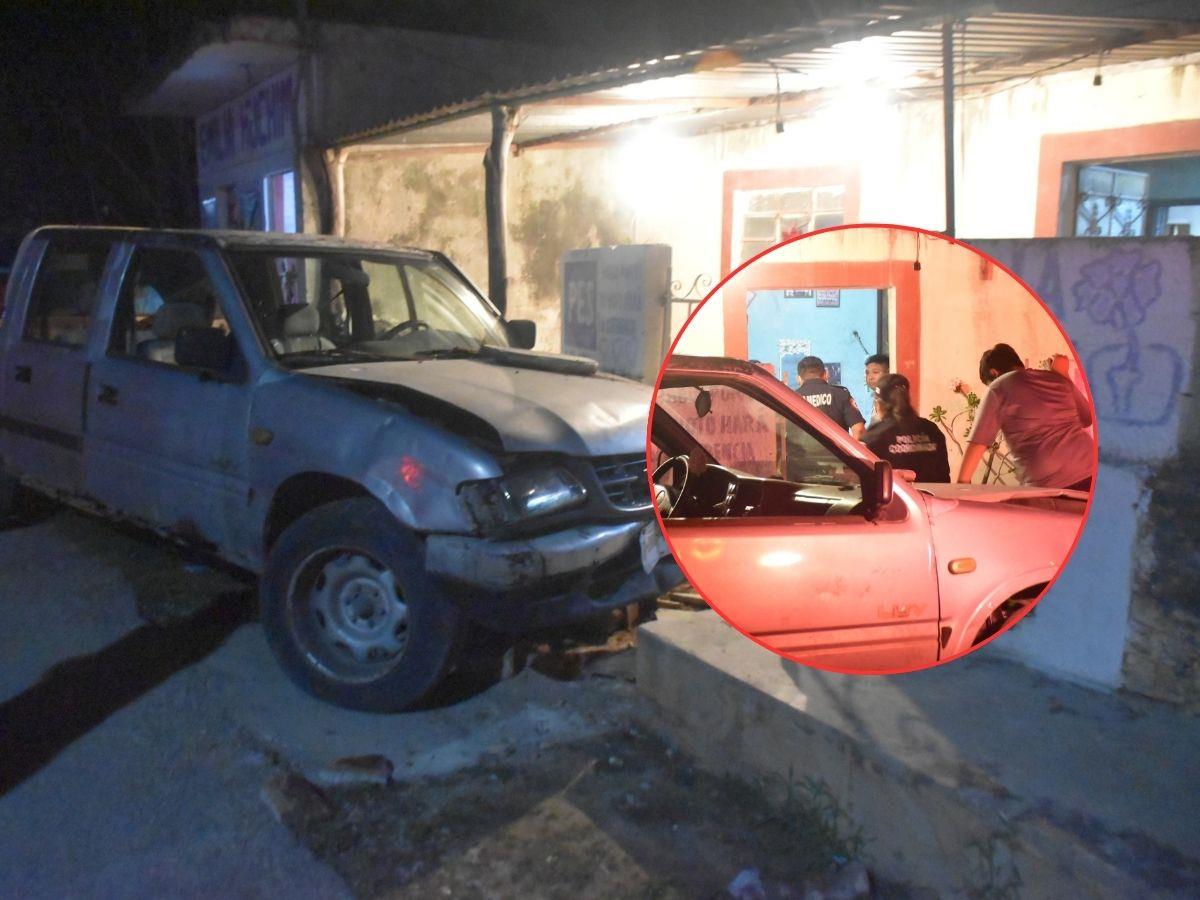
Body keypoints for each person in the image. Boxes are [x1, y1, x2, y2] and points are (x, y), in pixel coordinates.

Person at [957, 343, 1095, 490]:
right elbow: (1087, 418)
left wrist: (961, 486)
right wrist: (1063, 375)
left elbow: (978, 442)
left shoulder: (997, 388)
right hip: (1091, 469)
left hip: (1050, 485)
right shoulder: (1056, 378)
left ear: (994, 373)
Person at [862, 373, 950, 482]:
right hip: (934, 497)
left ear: (879, 404)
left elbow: (867, 480)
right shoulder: (931, 429)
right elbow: (944, 474)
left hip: (897, 498)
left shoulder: (874, 435)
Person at [795, 355, 865, 439]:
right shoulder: (841, 394)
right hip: (835, 451)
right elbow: (859, 430)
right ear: (826, 374)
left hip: (801, 452)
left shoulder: (792, 398)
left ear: (798, 378)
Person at [864, 353, 890, 426]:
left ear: (888, 373)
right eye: (867, 373)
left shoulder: (893, 398)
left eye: (875, 372)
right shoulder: (872, 398)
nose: (870, 377)